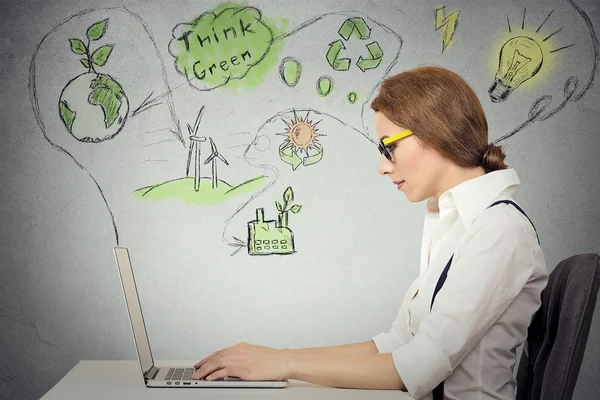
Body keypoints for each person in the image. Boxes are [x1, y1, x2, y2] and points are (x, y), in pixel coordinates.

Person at [191, 66, 548, 400]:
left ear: (435, 132)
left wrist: (284, 365)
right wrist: (278, 358)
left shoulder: (499, 230)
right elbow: (397, 342)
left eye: (388, 147)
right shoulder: (455, 224)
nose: (382, 167)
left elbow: (419, 367)